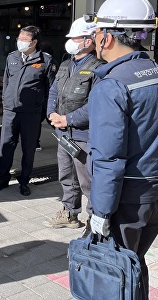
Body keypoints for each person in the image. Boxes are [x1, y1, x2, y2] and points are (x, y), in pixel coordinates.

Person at [87, 0, 158, 297]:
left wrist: (100, 212)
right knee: (135, 265)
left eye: (97, 32)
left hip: (125, 199)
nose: (95, 38)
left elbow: (108, 158)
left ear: (108, 37)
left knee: (113, 276)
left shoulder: (111, 85)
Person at [44, 18, 103, 234]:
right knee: (66, 175)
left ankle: (95, 220)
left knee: (87, 179)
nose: (70, 42)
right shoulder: (66, 64)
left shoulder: (98, 68)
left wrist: (67, 119)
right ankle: (70, 212)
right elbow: (53, 90)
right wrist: (51, 112)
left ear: (88, 41)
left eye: (74, 38)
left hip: (83, 133)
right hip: (63, 133)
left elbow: (95, 104)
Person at [0, 26, 56, 196]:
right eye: (19, 38)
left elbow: (50, 89)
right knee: (6, 146)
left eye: (24, 39)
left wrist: (47, 112)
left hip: (31, 113)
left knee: (29, 148)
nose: (20, 42)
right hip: (10, 111)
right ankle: (2, 178)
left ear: (34, 42)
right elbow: (6, 81)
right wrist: (5, 102)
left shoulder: (45, 61)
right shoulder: (12, 57)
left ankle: (24, 181)